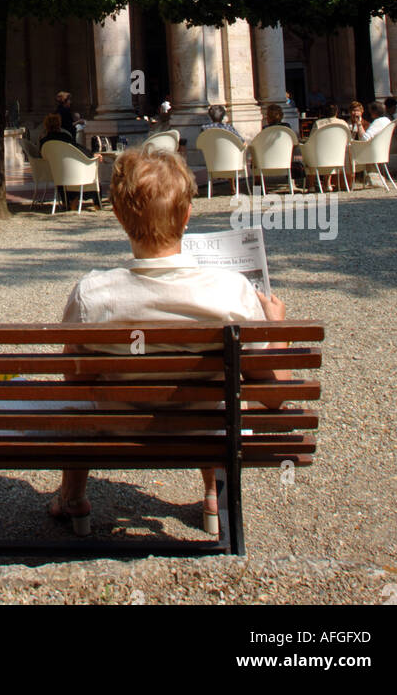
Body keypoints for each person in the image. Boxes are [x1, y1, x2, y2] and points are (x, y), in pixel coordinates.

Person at [50, 149, 288, 535]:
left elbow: (72, 379)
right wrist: (275, 327)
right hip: (206, 428)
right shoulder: (232, 293)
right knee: (219, 394)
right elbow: (276, 395)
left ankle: (74, 499)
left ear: (118, 217)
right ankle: (214, 498)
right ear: (187, 214)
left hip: (115, 427)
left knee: (80, 403)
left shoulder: (91, 294)